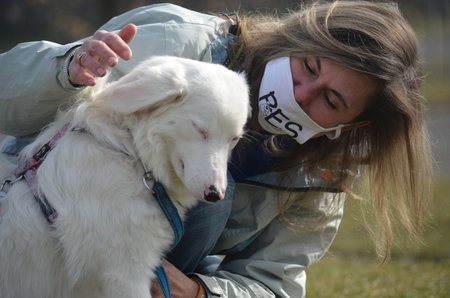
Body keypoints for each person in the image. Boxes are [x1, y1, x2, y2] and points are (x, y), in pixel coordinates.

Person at [0, 1, 433, 297]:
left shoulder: (321, 176)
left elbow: (274, 283)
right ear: (297, 38)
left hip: (136, 262)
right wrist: (70, 69)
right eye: (309, 66)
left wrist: (203, 292)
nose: (302, 94)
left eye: (330, 101)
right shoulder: (182, 45)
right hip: (32, 226)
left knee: (208, 204)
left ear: (350, 125)